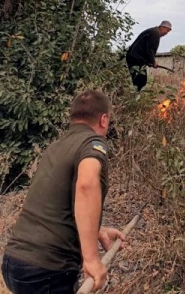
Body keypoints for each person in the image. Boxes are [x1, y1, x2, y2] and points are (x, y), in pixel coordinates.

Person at [2, 90, 125, 294]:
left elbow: (59, 205)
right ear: (104, 119)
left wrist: (96, 230)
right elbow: (86, 185)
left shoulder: (55, 147)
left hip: (14, 263)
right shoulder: (93, 143)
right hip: (46, 270)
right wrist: (91, 259)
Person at [126, 20, 172, 91]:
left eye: (168, 31)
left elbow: (146, 49)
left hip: (136, 58)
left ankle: (136, 95)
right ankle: (136, 97)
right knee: (140, 80)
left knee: (140, 80)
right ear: (162, 27)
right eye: (167, 30)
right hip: (135, 58)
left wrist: (149, 62)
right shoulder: (155, 33)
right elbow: (149, 50)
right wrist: (153, 62)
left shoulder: (154, 32)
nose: (166, 33)